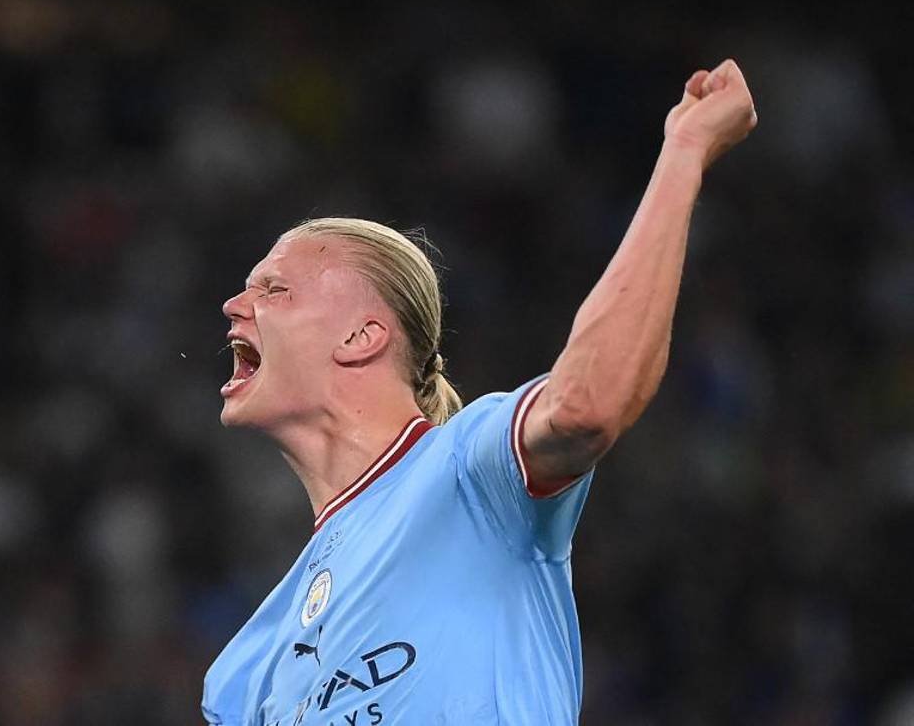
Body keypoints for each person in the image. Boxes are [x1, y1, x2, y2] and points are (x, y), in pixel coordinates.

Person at [202, 60, 757, 724]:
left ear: (361, 335)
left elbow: (586, 405)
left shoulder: (469, 471)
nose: (236, 303)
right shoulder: (244, 665)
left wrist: (685, 152)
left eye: (274, 288)